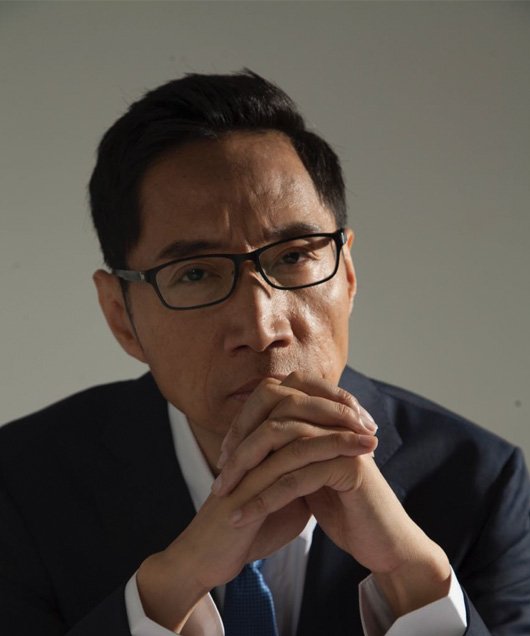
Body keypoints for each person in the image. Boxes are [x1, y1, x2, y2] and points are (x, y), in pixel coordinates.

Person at [0, 70, 529, 636]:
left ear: (348, 275)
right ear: (120, 316)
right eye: (196, 273)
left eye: (294, 256)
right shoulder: (20, 487)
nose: (261, 328)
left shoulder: (479, 482)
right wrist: (168, 591)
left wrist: (415, 582)